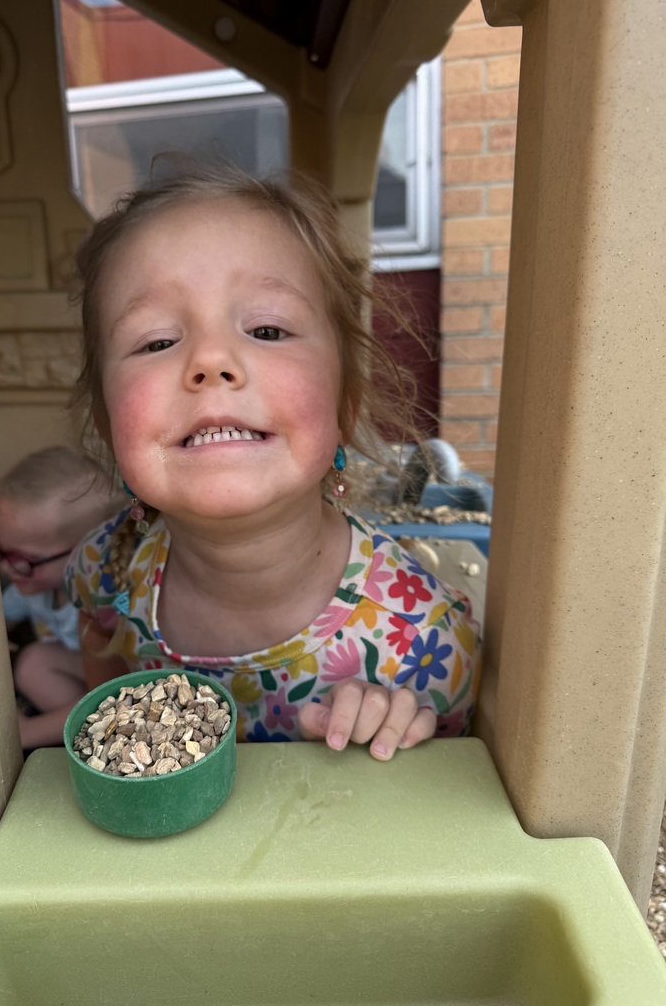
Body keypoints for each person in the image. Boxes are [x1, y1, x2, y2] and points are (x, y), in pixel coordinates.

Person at [66, 161, 481, 760]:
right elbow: (100, 712)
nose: (210, 359)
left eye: (266, 329)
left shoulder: (422, 643)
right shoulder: (105, 568)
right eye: (156, 341)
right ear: (109, 426)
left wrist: (392, 732)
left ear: (345, 405)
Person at [0, 445, 123, 750]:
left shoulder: (107, 600)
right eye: (0, 550)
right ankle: (92, 732)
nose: (6, 567)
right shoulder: (32, 589)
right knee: (33, 663)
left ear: (91, 549)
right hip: (82, 681)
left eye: (25, 559)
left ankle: (42, 735)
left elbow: (119, 683)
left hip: (121, 682)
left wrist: (22, 734)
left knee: (34, 663)